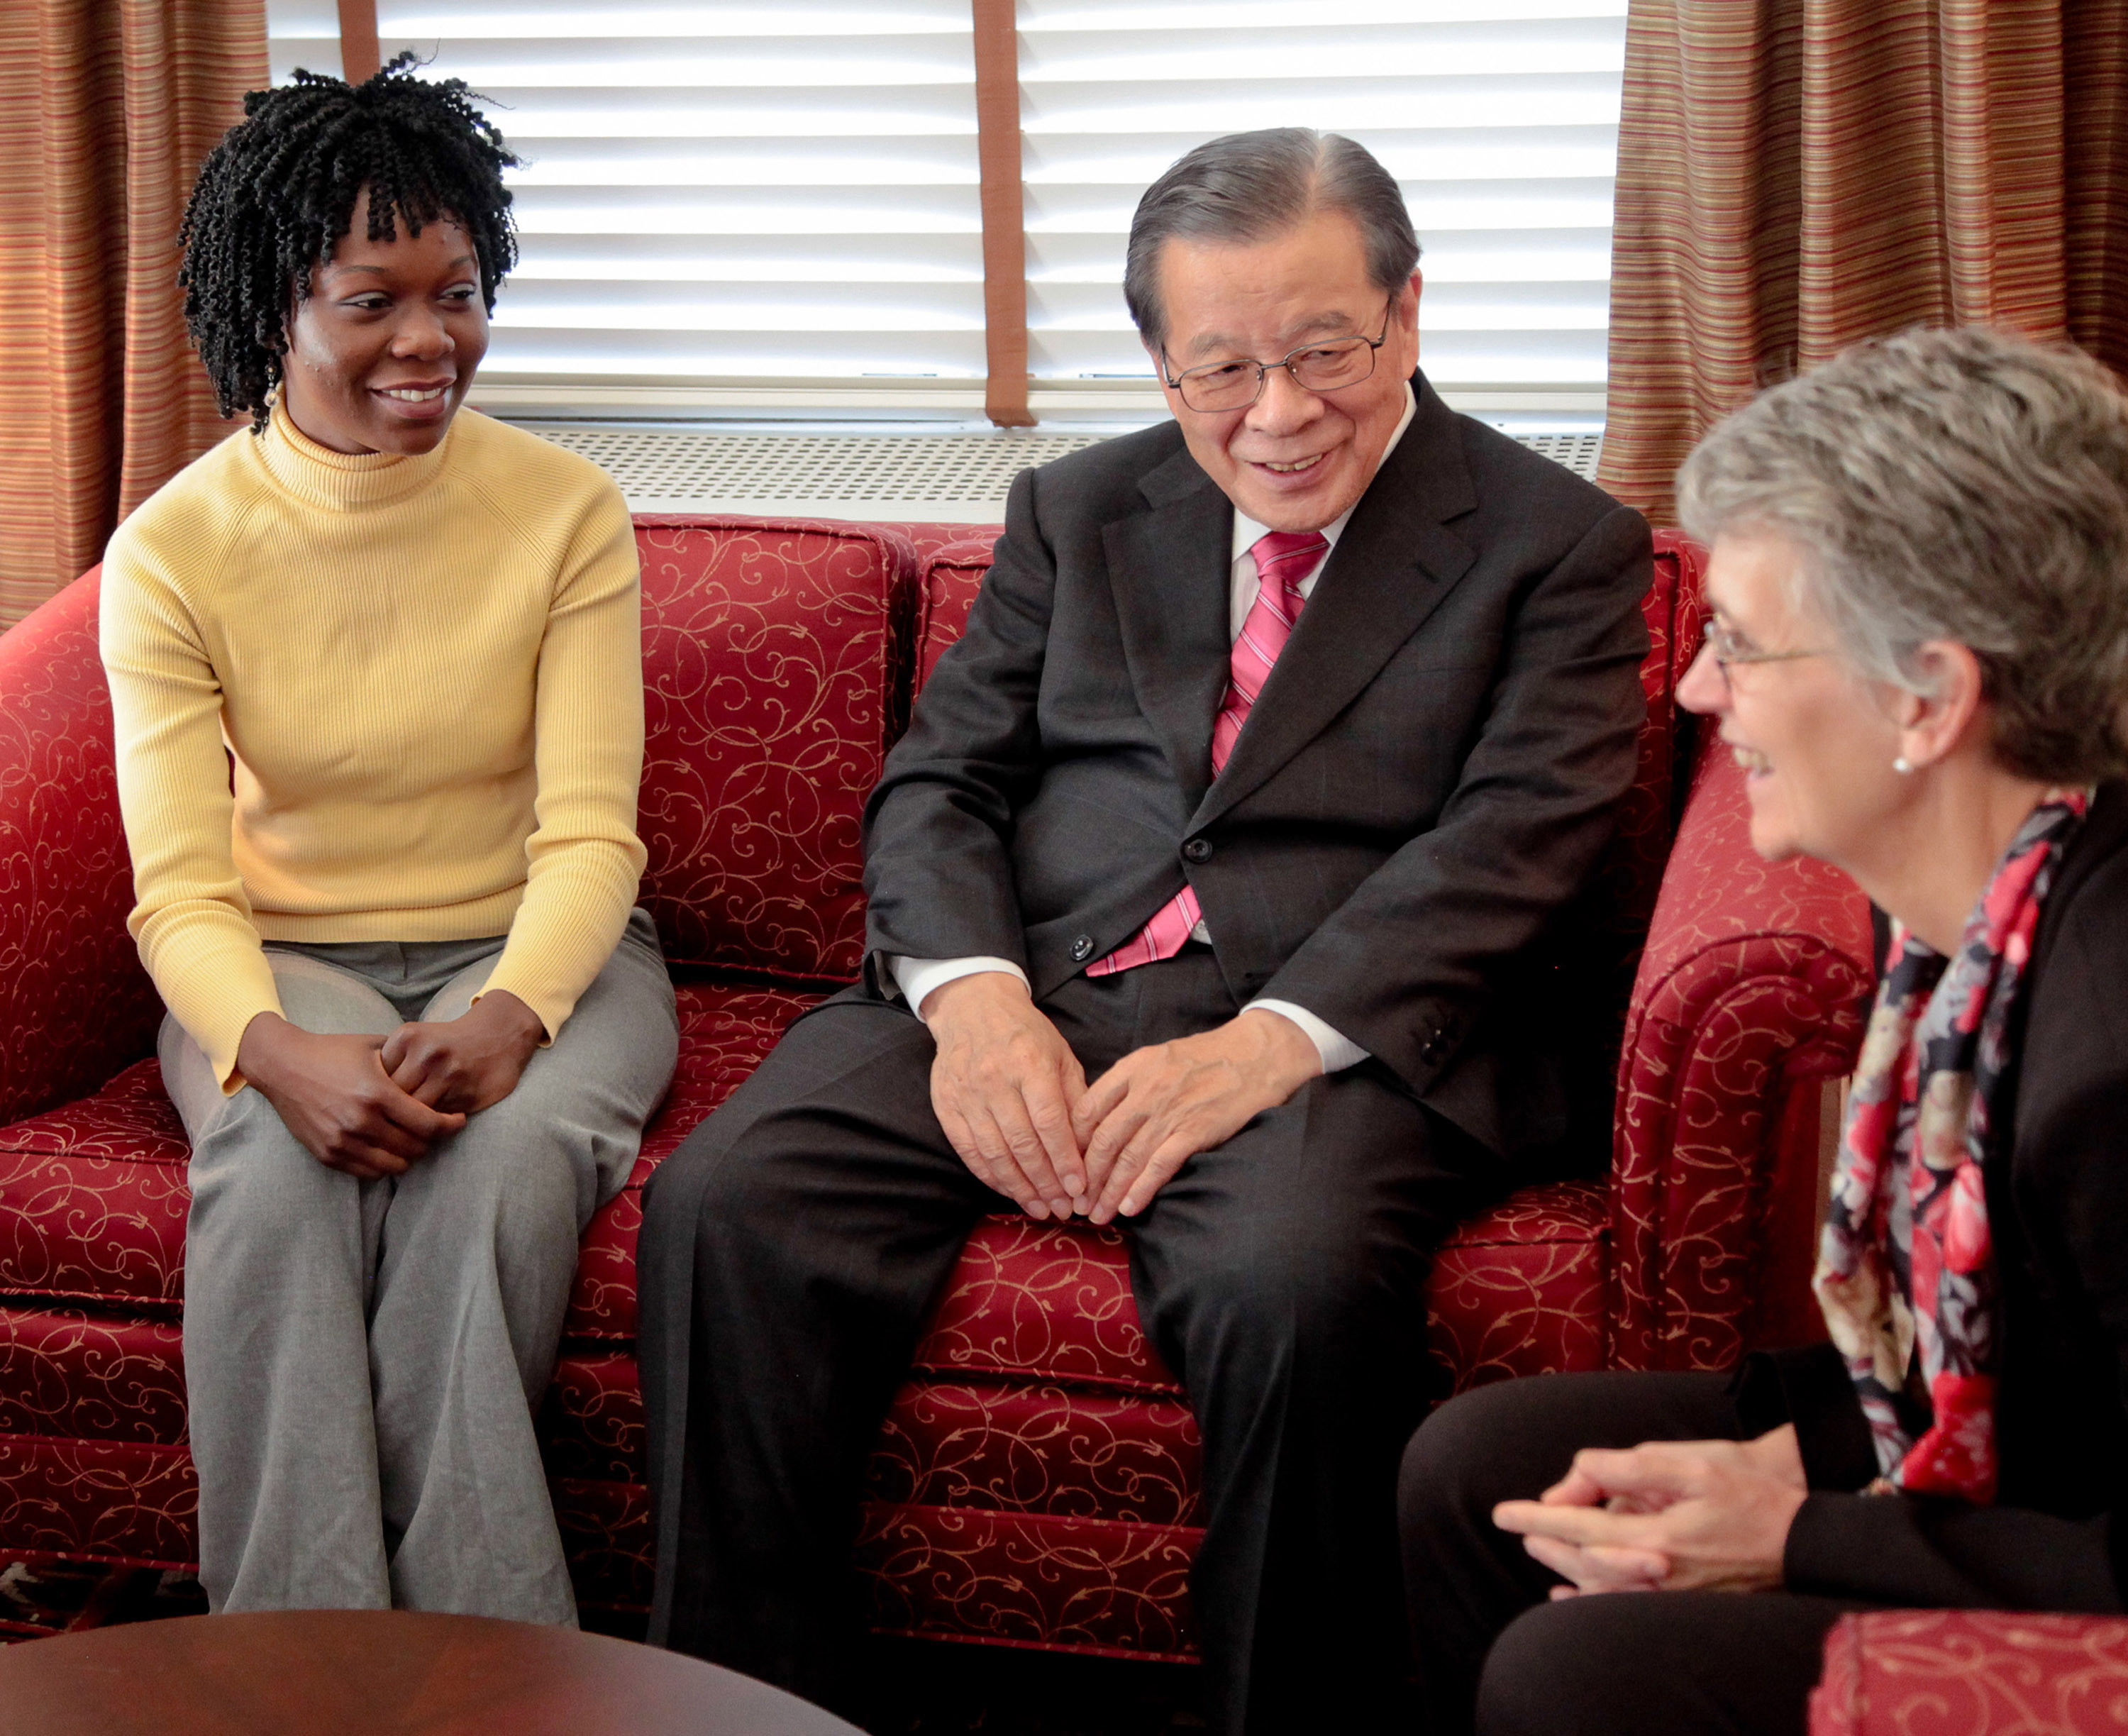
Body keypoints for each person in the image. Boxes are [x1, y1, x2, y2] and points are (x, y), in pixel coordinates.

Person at [638, 127, 1652, 1732]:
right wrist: (973, 1006)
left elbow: (1516, 842)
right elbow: (939, 783)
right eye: (1223, 368)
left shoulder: (1559, 547)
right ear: (1159, 364)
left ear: (1408, 312)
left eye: (1328, 350)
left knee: (1287, 1285)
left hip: (1344, 1029)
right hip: (1043, 980)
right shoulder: (1078, 509)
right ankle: (744, 1705)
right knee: (727, 1204)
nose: (1280, 413)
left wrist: (1267, 1047)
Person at [1397, 324, 2128, 1736]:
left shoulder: (2107, 1066)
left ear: (1926, 696)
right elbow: (1991, 1362)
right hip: (2020, 1462)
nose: (1691, 692)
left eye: (1736, 641)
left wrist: (1792, 1529)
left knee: (1574, 1678)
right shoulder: (1986, 918)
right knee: (1479, 1467)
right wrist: (1797, 1456)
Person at [100, 58, 677, 1622]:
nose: (431, 344)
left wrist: (510, 1014)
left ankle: (490, 1672)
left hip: (543, 948)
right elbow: (180, 888)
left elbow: (588, 837)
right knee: (278, 1186)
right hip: (290, 955)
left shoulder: (565, 513)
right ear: (277, 308)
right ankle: (303, 1672)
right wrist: (267, 1051)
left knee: (492, 1176)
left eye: (459, 293)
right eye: (373, 302)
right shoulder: (172, 553)